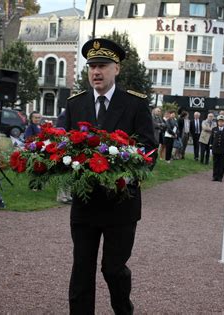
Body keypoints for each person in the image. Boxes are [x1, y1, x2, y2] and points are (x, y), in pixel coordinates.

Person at [65, 38, 157, 314]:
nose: (96, 71)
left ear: (116, 68)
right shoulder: (75, 104)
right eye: (91, 66)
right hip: (86, 203)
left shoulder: (134, 104)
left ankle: (122, 310)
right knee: (82, 268)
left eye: (102, 65)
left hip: (121, 204)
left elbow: (148, 148)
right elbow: (61, 144)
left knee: (113, 269)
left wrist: (129, 173)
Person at [210, 115, 224, 182]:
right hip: (215, 149)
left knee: (221, 164)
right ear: (217, 122)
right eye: (219, 121)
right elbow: (211, 139)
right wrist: (210, 148)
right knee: (215, 163)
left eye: (222, 121)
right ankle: (214, 176)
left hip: (223, 149)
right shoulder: (214, 129)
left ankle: (220, 177)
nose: (221, 123)